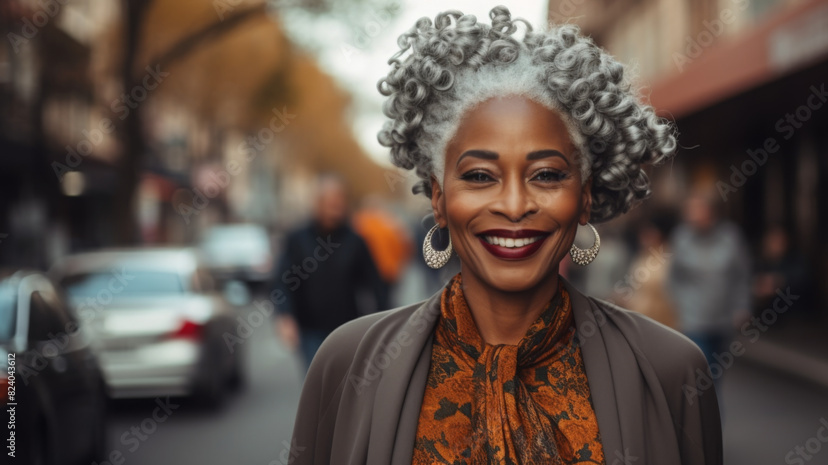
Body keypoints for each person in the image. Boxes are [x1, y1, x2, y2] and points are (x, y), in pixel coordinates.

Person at [288, 7, 722, 464]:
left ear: (586, 196)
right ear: (438, 198)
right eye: (479, 176)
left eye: (547, 175)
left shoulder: (671, 371)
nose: (514, 206)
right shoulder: (345, 364)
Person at [272, 174, 389, 369]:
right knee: (317, 385)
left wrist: (383, 325)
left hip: (348, 329)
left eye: (339, 200)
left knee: (344, 387)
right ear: (317, 203)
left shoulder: (356, 241)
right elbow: (282, 281)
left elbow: (375, 284)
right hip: (309, 328)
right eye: (330, 200)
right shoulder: (297, 239)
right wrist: (285, 317)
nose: (336, 205)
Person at [669, 191, 752, 365]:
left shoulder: (730, 237)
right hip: (693, 320)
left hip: (723, 318)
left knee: (716, 369)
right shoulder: (681, 238)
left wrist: (742, 307)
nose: (690, 215)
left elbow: (741, 276)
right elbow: (673, 277)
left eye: (695, 209)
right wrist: (680, 306)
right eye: (688, 210)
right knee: (703, 368)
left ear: (710, 211)